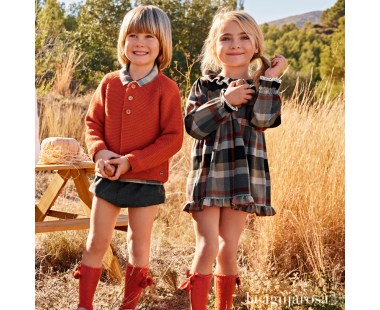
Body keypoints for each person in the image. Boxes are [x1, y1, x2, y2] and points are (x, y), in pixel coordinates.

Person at [73, 6, 183, 310]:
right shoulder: (109, 83)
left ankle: (128, 306)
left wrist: (131, 161)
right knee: (96, 241)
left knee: (138, 245)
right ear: (123, 40)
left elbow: (173, 138)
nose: (140, 42)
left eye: (149, 36)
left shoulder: (167, 88)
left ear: (162, 44)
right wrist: (101, 153)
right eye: (133, 34)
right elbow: (92, 123)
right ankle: (85, 305)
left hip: (146, 179)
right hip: (108, 175)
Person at [179, 8, 287, 310]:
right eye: (226, 38)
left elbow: (264, 121)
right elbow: (194, 126)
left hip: (243, 178)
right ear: (215, 47)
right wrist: (225, 102)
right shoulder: (204, 87)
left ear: (256, 48)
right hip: (208, 177)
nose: (235, 44)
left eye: (243, 38)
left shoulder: (262, 89)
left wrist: (269, 79)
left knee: (228, 249)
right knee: (208, 245)